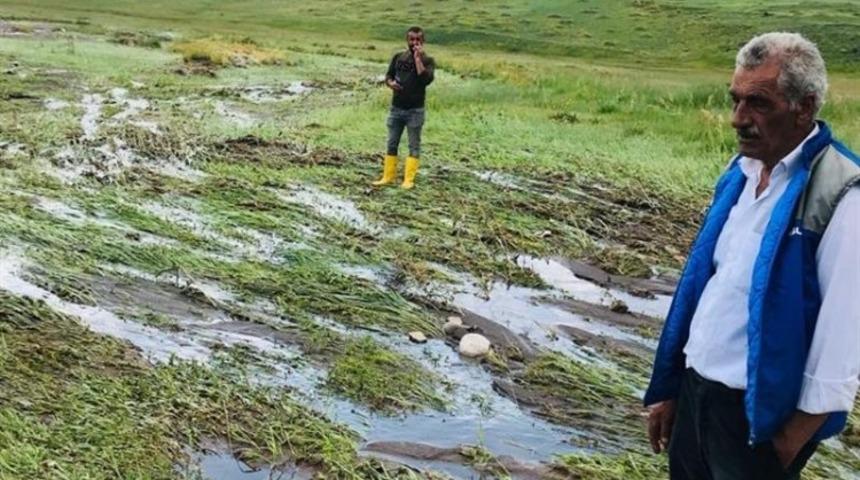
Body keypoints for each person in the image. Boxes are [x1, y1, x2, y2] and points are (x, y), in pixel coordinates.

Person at [645, 32, 860, 480]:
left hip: (759, 421)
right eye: (735, 100)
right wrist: (674, 390)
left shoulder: (840, 194)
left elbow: (841, 342)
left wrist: (785, 444)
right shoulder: (740, 173)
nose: (737, 119)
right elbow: (710, 288)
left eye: (758, 103)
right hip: (697, 394)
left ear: (805, 105)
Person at [372, 26, 435, 190]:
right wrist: (391, 84)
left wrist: (418, 58)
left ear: (423, 41)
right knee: (392, 142)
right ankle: (388, 176)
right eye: (411, 39)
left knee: (414, 144)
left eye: (418, 40)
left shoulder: (428, 61)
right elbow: (388, 76)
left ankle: (408, 180)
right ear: (407, 40)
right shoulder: (398, 57)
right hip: (396, 108)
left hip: (415, 110)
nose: (414, 43)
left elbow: (425, 79)